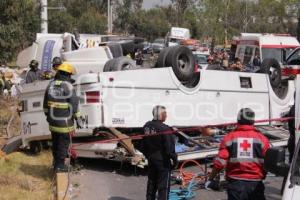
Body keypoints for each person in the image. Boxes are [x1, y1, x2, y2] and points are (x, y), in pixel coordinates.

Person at [205, 108, 270, 200]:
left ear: (238, 120)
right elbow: (269, 162)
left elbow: (220, 163)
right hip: (256, 184)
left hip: (235, 185)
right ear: (253, 121)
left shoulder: (229, 138)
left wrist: (210, 179)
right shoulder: (262, 139)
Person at [43, 62, 83, 172]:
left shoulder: (50, 85)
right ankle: (60, 166)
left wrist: (48, 116)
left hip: (53, 122)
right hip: (64, 123)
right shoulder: (68, 86)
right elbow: (74, 104)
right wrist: (78, 118)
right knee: (63, 143)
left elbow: (45, 104)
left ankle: (56, 163)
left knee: (55, 143)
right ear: (67, 74)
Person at [142, 105, 177, 200]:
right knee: (163, 187)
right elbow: (170, 149)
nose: (166, 116)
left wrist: (148, 156)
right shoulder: (165, 129)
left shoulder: (146, 126)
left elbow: (143, 144)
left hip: (151, 159)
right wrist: (175, 160)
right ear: (160, 115)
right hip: (162, 161)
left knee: (151, 183)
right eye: (165, 113)